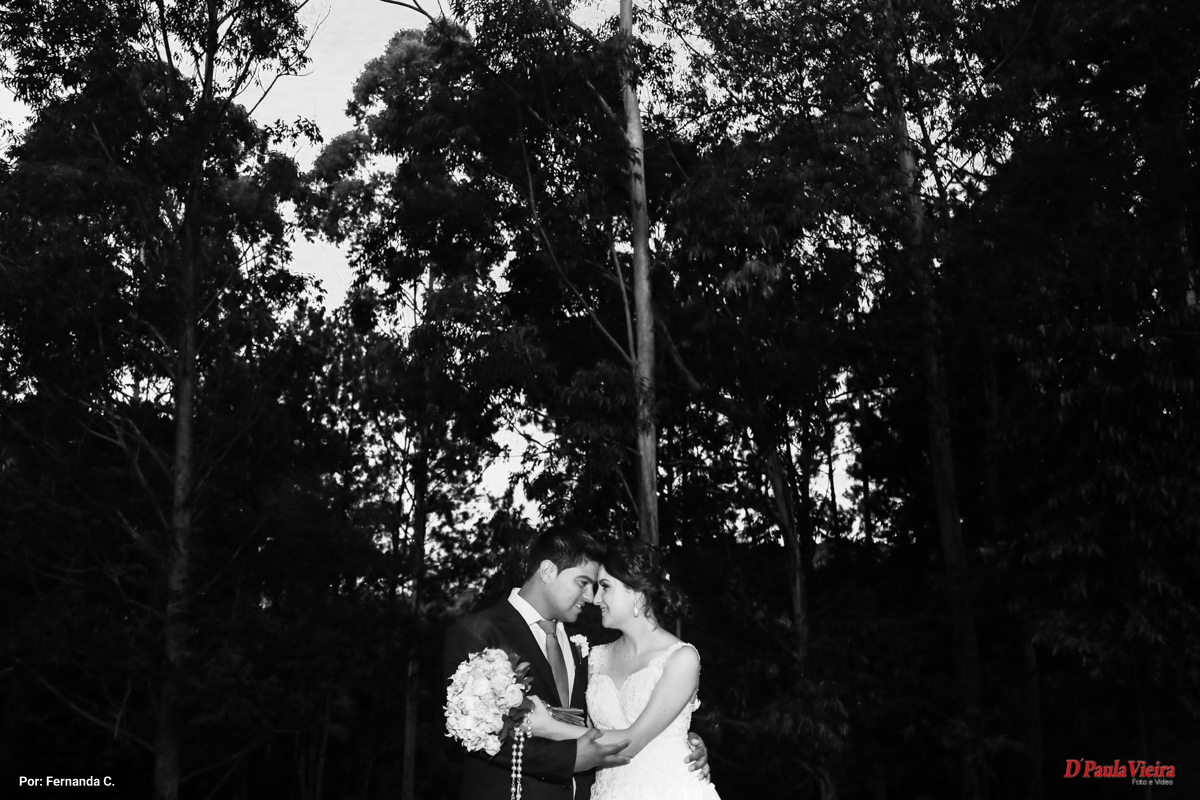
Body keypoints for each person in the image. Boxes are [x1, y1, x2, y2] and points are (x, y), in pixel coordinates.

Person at [442, 528, 709, 800]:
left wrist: (675, 739)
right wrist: (570, 758)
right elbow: (478, 738)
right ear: (548, 571)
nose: (591, 597)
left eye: (601, 586)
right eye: (583, 582)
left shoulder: (582, 646)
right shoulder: (477, 633)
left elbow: (622, 723)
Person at [526, 540, 721, 800]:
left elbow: (631, 742)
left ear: (636, 593)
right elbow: (584, 728)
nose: (595, 599)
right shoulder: (595, 658)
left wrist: (549, 727)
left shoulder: (681, 658)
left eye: (605, 587)